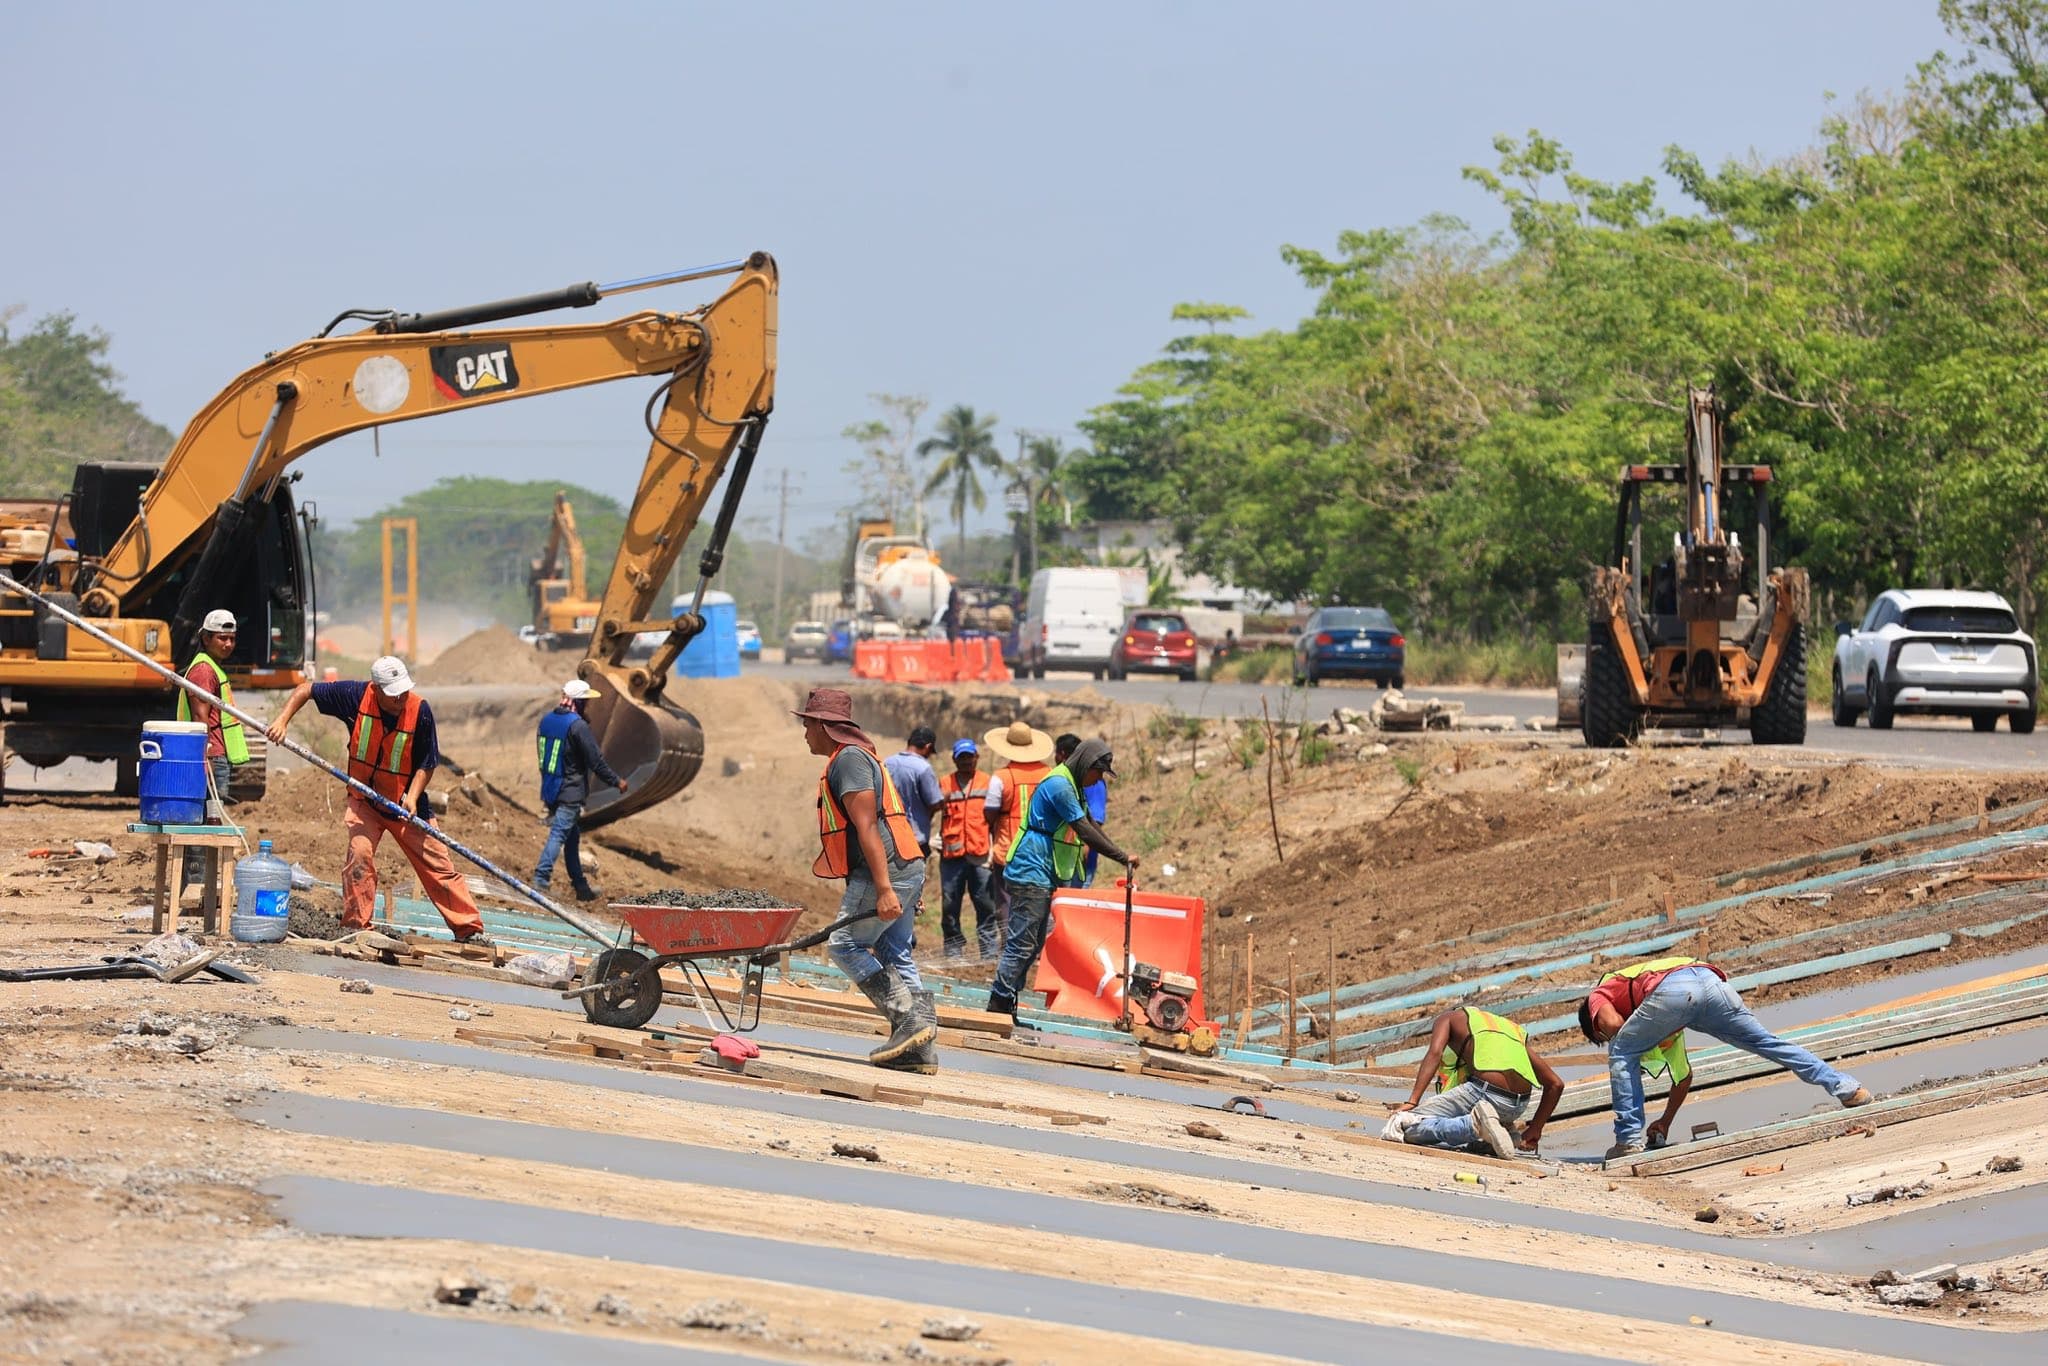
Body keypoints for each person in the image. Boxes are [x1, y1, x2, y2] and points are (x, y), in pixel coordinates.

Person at [265, 656, 485, 942]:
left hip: (404, 803)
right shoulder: (354, 696)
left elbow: (427, 763)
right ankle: (357, 926)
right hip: (365, 799)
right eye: (394, 694)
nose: (400, 698)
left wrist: (413, 797)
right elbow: (306, 690)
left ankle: (469, 930)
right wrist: (282, 721)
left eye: (404, 691)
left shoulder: (420, 710)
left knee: (438, 866)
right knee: (359, 855)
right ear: (377, 689)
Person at [1579, 956, 1873, 1160]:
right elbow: (1683, 1078)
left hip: (1672, 991)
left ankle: (1628, 1140)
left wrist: (1622, 1045)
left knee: (1621, 1051)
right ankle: (1848, 1088)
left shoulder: (1598, 995)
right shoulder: (1661, 1025)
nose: (1605, 1031)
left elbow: (1615, 1027)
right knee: (1765, 1041)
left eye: (1598, 1033)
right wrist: (1666, 1121)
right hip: (1710, 981)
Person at [796, 687, 937, 1073]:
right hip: (904, 863)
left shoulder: (850, 761)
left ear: (825, 725)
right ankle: (919, 1050)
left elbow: (867, 828)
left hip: (886, 870)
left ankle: (909, 1021)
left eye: (807, 724)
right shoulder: (856, 758)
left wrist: (888, 889)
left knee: (844, 945)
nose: (805, 732)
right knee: (895, 951)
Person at [986, 738, 1136, 1020]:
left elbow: (1091, 822)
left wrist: (1123, 854)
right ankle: (999, 1003)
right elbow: (1084, 830)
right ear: (1087, 765)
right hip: (1030, 867)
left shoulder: (1074, 785)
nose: (1098, 780)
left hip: (1042, 870)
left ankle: (1007, 1003)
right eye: (1098, 773)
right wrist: (1121, 857)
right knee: (1022, 942)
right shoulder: (1060, 785)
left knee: (1033, 942)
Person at [1383, 1005, 1563, 1159]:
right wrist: (1535, 1129)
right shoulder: (1508, 1030)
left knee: (1406, 1126)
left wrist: (1412, 1101)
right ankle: (1505, 1133)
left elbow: (1435, 1054)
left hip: (1485, 1092)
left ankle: (1474, 1125)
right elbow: (1555, 1084)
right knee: (1474, 1130)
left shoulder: (1447, 1018)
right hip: (1516, 1106)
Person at [176, 609, 250, 897]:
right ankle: (195, 889)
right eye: (222, 638)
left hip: (216, 758)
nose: (228, 644)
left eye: (232, 639)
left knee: (212, 825)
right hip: (210, 760)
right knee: (203, 826)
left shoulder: (211, 667)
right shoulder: (204, 670)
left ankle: (202, 889)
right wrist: (203, 759)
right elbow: (200, 718)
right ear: (205, 638)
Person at [533, 678, 627, 901]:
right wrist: (616, 781)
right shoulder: (577, 726)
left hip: (551, 789)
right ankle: (541, 878)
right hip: (570, 792)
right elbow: (596, 760)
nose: (588, 706)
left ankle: (581, 888)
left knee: (572, 838)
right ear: (579, 702)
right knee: (558, 834)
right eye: (586, 702)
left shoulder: (547, 720)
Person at [981, 720, 1056, 945]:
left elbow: (989, 813)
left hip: (1009, 849)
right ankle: (1044, 949)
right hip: (1043, 850)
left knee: (1007, 901)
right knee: (1041, 900)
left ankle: (1011, 947)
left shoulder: (1001, 777)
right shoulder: (1049, 773)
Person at [935, 739, 1001, 959]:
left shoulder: (987, 782)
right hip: (952, 856)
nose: (965, 761)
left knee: (985, 906)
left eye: (969, 756)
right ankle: (953, 952)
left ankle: (988, 955)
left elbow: (995, 818)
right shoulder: (944, 783)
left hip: (980, 855)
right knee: (950, 906)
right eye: (961, 757)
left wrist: (995, 849)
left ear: (976, 758)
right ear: (954, 759)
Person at [884, 725, 945, 913]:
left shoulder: (887, 762)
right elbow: (935, 801)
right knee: (911, 888)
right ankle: (905, 931)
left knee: (890, 884)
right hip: (914, 839)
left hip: (886, 836)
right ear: (927, 747)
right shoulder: (923, 768)